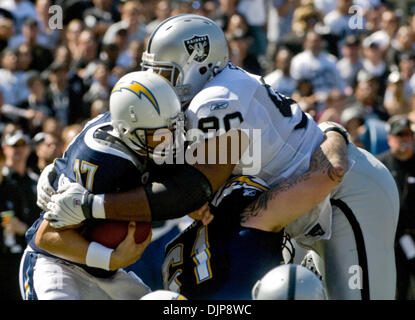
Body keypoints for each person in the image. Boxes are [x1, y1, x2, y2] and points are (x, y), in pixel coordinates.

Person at [43, 14, 398, 300]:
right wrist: (63, 173)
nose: (155, 80)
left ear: (198, 65)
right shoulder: (200, 101)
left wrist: (92, 204)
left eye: (163, 71)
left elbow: (190, 189)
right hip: (299, 201)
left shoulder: (216, 101)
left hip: (346, 193)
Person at [20, 71, 190, 300]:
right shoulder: (101, 157)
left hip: (105, 273)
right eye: (158, 134)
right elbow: (46, 236)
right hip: (56, 262)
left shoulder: (144, 125)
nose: (167, 140)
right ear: (128, 130)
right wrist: (111, 259)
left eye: (171, 129)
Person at [377, 115, 415, 300]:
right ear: (390, 138)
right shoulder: (379, 166)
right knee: (397, 288)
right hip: (390, 239)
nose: (404, 140)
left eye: (408, 135)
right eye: (400, 135)